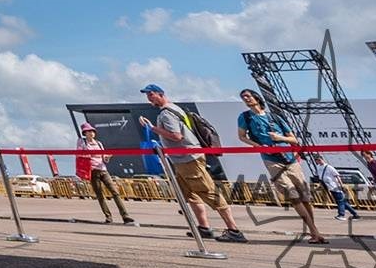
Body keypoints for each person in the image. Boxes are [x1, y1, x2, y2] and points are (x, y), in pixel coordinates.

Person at [139, 84, 247, 243]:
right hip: (184, 158)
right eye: (148, 95)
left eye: (152, 94)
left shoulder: (166, 114)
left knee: (208, 191)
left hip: (188, 158)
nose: (149, 98)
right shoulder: (176, 108)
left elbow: (176, 136)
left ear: (161, 94)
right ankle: (204, 228)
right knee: (191, 194)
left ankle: (234, 230)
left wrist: (152, 128)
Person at [235, 89, 327, 244]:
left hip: (289, 159)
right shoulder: (245, 117)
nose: (246, 99)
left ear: (256, 97)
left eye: (248, 96)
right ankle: (314, 230)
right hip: (272, 160)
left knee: (304, 196)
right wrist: (258, 146)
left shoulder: (274, 117)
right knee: (293, 195)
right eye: (243, 97)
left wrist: (279, 138)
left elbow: (294, 139)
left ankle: (313, 230)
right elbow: (242, 136)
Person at [75, 122, 135, 225]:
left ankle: (125, 215)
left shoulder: (99, 143)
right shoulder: (82, 142)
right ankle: (108, 216)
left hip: (103, 169)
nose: (92, 133)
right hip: (93, 171)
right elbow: (80, 154)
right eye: (89, 131)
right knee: (100, 195)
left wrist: (107, 156)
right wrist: (90, 155)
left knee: (115, 192)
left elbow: (104, 159)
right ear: (85, 133)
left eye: (92, 131)